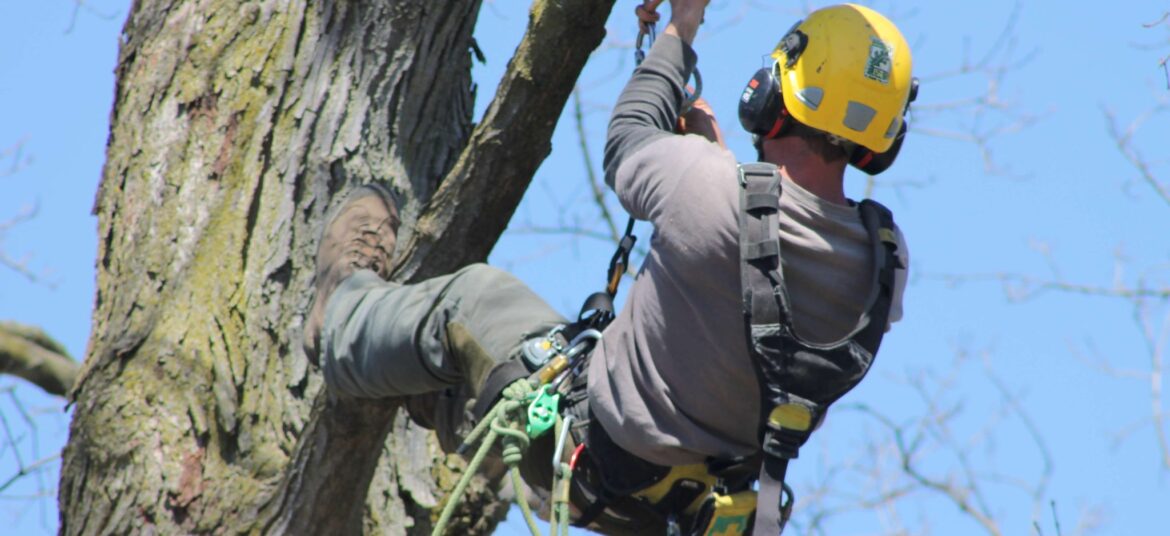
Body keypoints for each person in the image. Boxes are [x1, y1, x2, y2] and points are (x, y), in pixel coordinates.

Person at [301, 1, 913, 534]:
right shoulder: (885, 264)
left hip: (592, 456)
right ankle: (427, 393)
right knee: (479, 371)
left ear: (777, 92)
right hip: (681, 510)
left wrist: (682, 25)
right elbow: (762, 284)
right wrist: (720, 165)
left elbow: (628, 139)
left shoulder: (707, 187)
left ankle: (338, 321)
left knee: (472, 300)